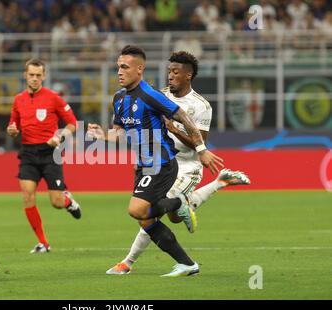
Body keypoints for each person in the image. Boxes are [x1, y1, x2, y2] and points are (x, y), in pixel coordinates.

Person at [106, 51, 251, 276]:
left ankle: (128, 262)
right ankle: (216, 185)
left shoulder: (200, 105)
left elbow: (199, 140)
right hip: (154, 162)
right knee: (152, 216)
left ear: (188, 75)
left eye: (176, 72)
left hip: (187, 165)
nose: (170, 76)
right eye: (169, 71)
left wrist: (180, 134)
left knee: (147, 212)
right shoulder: (158, 94)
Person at [7, 58, 81, 254]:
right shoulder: (18, 100)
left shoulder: (53, 98)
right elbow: (13, 126)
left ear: (44, 76)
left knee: (56, 203)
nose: (34, 79)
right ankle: (43, 243)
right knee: (27, 195)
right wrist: (12, 130)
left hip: (50, 153)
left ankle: (68, 201)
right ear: (25, 75)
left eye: (38, 75)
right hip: (28, 153)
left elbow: (73, 124)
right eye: (31, 75)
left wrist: (59, 135)